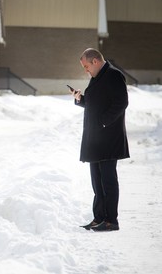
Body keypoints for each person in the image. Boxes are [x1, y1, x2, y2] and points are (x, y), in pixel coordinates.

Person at [71, 48, 130, 231]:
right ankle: (99, 218)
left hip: (108, 138)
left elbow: (121, 102)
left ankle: (111, 220)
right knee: (97, 181)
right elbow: (96, 103)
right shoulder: (97, 77)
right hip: (95, 139)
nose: (86, 70)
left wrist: (103, 122)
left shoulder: (113, 75)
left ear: (95, 61)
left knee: (108, 181)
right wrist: (81, 99)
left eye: (86, 66)